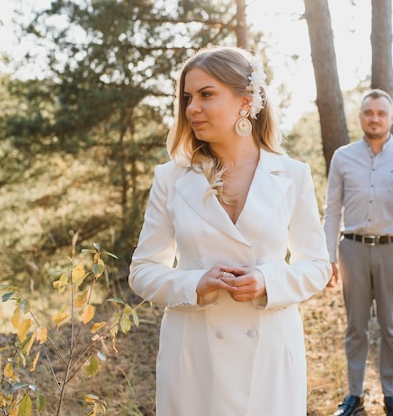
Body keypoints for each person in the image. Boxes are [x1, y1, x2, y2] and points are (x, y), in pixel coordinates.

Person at [128, 45, 332, 416]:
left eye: (206, 95)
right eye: (187, 97)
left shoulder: (293, 175)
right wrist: (193, 284)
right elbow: (142, 271)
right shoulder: (170, 178)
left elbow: (317, 265)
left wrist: (268, 281)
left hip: (270, 352)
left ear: (246, 102)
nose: (192, 108)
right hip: (194, 353)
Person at [323, 89, 393, 416]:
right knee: (356, 327)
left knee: (391, 326)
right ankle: (354, 397)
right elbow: (332, 210)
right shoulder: (343, 157)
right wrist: (328, 256)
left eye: (381, 113)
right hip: (353, 251)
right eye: (369, 112)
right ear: (360, 117)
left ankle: (391, 397)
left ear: (391, 118)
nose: (375, 118)